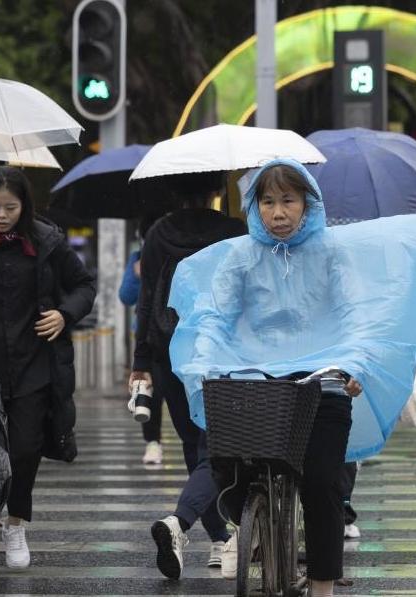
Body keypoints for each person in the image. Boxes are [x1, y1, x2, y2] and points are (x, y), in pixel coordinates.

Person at [168, 159, 416, 596]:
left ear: (308, 204)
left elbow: (355, 315)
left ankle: (323, 587)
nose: (278, 213)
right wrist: (203, 362)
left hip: (323, 380)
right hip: (257, 381)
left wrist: (353, 365)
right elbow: (214, 317)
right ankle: (249, 526)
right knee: (228, 464)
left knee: (323, 485)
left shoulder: (332, 253)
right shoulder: (240, 256)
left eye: (288, 201)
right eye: (268, 202)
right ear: (255, 207)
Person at [0, 166, 96, 575]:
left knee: (25, 450)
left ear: (24, 206)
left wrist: (64, 314)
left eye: (10, 208)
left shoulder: (48, 240)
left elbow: (84, 285)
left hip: (33, 364)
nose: (1, 216)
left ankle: (15, 525)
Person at [131, 173, 246, 579]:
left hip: (171, 351)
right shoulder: (234, 231)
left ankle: (215, 537)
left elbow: (147, 299)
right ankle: (208, 533)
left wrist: (141, 360)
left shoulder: (159, 233)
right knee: (217, 445)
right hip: (222, 350)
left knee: (192, 442)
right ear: (216, 190)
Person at [118, 215, 163, 465]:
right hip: (147, 336)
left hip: (175, 333)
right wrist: (137, 275)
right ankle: (152, 442)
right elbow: (126, 296)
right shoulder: (137, 258)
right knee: (149, 392)